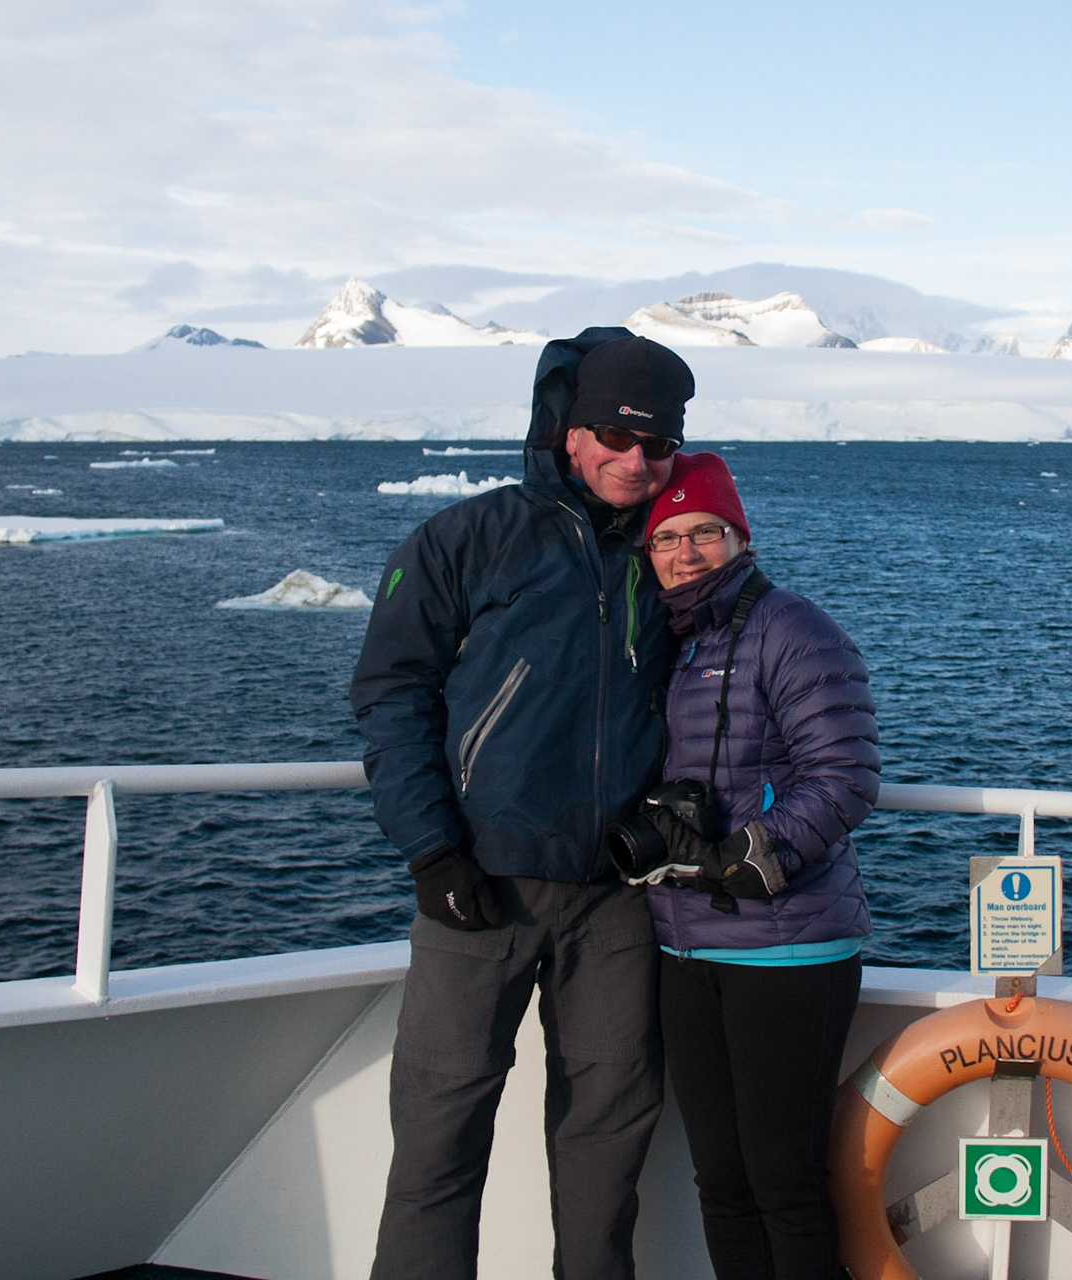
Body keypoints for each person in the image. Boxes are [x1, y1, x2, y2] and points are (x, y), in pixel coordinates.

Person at [351, 328, 693, 1280]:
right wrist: (432, 852)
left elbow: (731, 700)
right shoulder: (469, 539)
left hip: (619, 898)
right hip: (479, 886)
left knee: (606, 1143)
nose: (634, 461)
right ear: (566, 430)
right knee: (438, 1135)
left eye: (656, 444)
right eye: (614, 437)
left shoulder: (672, 556)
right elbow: (391, 692)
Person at [610, 450, 879, 1280]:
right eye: (668, 539)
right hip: (685, 947)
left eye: (706, 534)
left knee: (782, 1180)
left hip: (787, 946)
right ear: (646, 554)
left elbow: (845, 773)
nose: (686, 554)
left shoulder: (791, 627)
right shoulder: (663, 639)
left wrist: (757, 855)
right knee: (722, 1181)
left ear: (740, 539)